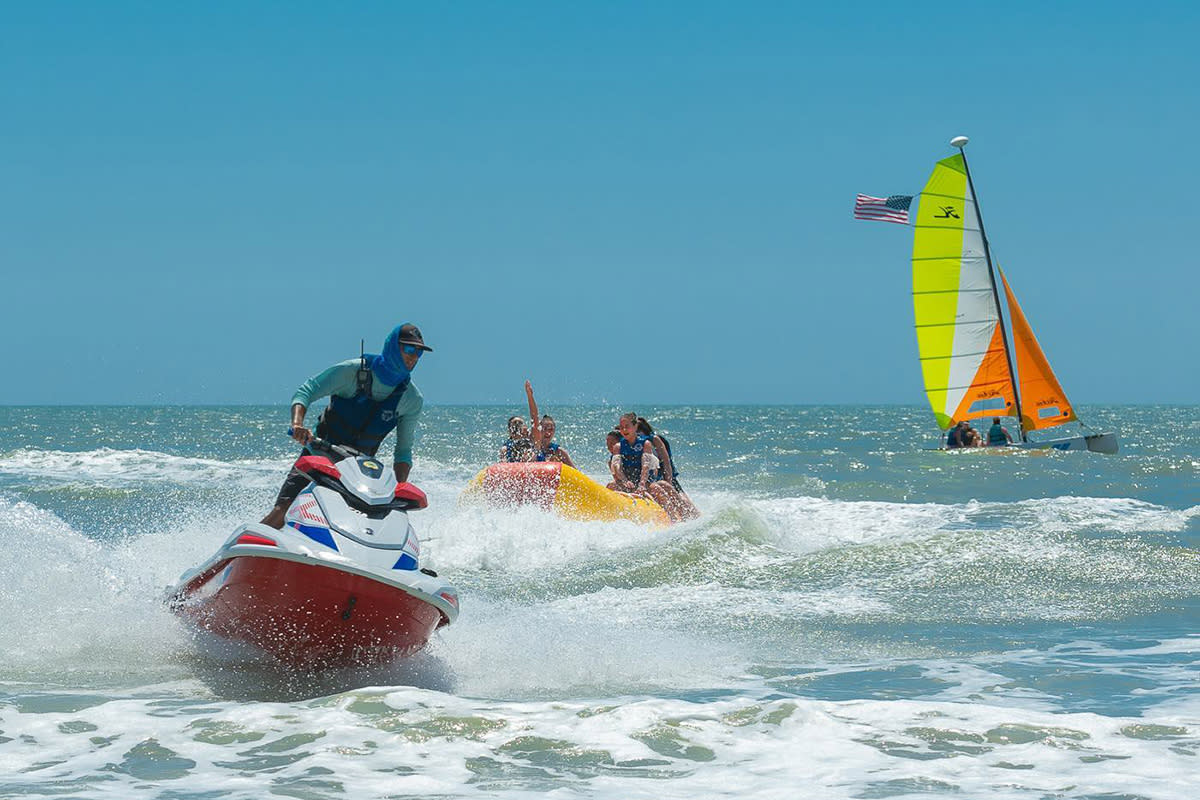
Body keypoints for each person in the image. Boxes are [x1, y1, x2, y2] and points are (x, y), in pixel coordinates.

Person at [260, 323, 431, 529]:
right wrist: (298, 424)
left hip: (359, 472)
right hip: (318, 456)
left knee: (365, 526)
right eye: (409, 349)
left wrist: (400, 487)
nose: (414, 357)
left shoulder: (411, 399)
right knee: (283, 511)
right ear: (393, 347)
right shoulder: (353, 371)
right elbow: (306, 391)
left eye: (419, 352)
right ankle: (242, 553)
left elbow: (403, 452)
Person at [610, 412, 694, 522]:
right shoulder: (619, 446)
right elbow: (616, 466)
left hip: (652, 480)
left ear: (636, 427)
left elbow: (650, 465)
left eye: (627, 427)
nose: (624, 430)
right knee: (610, 485)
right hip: (631, 482)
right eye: (621, 428)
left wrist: (643, 485)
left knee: (662, 487)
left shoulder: (649, 442)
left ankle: (678, 518)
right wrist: (624, 481)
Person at [636, 417, 698, 519]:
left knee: (682, 498)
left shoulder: (654, 439)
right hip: (652, 478)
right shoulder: (633, 443)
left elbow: (666, 463)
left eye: (638, 432)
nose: (637, 435)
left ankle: (694, 517)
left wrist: (668, 481)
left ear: (644, 431)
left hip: (665, 476)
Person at [524, 380, 576, 468]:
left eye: (551, 429)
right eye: (545, 429)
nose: (548, 432)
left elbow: (576, 474)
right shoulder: (534, 443)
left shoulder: (558, 451)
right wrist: (530, 396)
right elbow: (534, 417)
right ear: (539, 430)